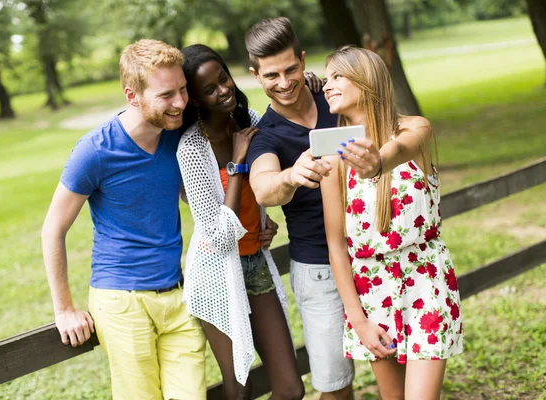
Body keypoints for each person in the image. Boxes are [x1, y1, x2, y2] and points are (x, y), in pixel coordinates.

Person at [41, 39, 206, 399]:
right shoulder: (95, 151)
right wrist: (64, 308)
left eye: (182, 90)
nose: (179, 102)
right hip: (122, 302)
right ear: (132, 96)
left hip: (179, 298)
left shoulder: (176, 135)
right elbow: (53, 228)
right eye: (166, 95)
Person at [320, 45, 463, 400]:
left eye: (337, 75)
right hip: (371, 291)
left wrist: (376, 163)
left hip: (424, 280)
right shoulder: (332, 157)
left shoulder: (416, 129)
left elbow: (398, 151)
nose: (327, 85)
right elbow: (336, 244)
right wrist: (359, 321)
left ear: (365, 80)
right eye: (325, 79)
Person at [176, 43, 305, 399]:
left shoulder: (251, 123)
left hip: (256, 263)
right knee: (238, 388)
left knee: (291, 389)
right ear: (195, 100)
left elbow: (269, 183)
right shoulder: (190, 148)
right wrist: (236, 165)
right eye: (209, 89)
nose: (223, 90)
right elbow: (218, 237)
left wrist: (265, 219)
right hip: (215, 273)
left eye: (224, 79)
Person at [244, 17, 355, 399]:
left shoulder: (338, 98)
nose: (285, 82)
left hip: (376, 255)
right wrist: (291, 175)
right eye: (271, 74)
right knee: (336, 385)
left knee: (397, 362)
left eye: (292, 69)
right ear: (256, 75)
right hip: (319, 270)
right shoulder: (266, 137)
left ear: (304, 60)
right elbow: (263, 188)